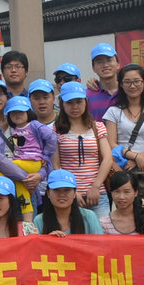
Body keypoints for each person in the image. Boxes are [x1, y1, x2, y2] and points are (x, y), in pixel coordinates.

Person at [55, 81, 113, 215]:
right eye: (70, 102)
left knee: (100, 228)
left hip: (98, 194)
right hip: (68, 195)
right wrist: (71, 191)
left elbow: (107, 159)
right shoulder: (55, 130)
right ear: (62, 104)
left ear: (86, 102)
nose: (75, 106)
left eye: (79, 102)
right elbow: (56, 165)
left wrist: (96, 186)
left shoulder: (98, 127)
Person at [103, 65, 144, 184]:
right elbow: (111, 144)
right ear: (121, 84)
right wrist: (135, 157)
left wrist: (141, 158)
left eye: (137, 81)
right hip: (122, 170)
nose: (132, 86)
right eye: (127, 82)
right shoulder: (113, 112)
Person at [2, 95, 54, 219]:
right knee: (22, 188)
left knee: (3, 168)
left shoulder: (34, 125)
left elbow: (52, 138)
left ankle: (0, 190)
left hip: (32, 161)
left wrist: (46, 156)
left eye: (21, 112)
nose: (17, 115)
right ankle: (28, 220)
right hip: (21, 162)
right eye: (13, 113)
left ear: (28, 112)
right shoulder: (12, 129)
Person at [38, 169, 101, 236]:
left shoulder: (89, 217)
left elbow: (99, 242)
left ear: (74, 193)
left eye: (67, 190)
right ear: (48, 193)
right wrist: (49, 239)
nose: (62, 194)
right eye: (56, 190)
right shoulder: (39, 220)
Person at [99, 171, 144, 235]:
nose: (121, 197)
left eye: (127, 192)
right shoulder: (104, 223)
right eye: (117, 192)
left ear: (135, 192)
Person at [85, 43, 122, 122]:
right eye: (99, 62)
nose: (105, 65)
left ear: (118, 64)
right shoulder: (86, 96)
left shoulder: (128, 91)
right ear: (93, 68)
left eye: (109, 60)